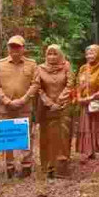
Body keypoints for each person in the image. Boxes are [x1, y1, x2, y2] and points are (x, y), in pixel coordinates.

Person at [0, 35, 39, 178]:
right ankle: (10, 166)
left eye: (18, 46)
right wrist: (6, 100)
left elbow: (35, 84)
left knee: (26, 136)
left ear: (23, 48)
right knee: (8, 137)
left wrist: (24, 99)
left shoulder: (31, 64)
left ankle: (26, 165)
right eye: (12, 46)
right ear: (8, 48)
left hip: (24, 107)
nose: (15, 49)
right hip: (5, 108)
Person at [35, 45, 74, 178]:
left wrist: (59, 101)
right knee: (48, 137)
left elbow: (70, 84)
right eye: (49, 54)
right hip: (47, 108)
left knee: (63, 136)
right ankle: (48, 167)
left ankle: (62, 167)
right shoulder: (40, 68)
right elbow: (38, 88)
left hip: (64, 108)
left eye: (55, 54)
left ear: (60, 55)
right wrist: (49, 103)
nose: (52, 57)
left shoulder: (66, 66)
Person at [76, 44, 99, 162]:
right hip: (84, 103)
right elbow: (78, 85)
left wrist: (91, 98)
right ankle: (88, 151)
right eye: (88, 53)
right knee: (85, 126)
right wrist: (79, 97)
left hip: (98, 103)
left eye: (92, 53)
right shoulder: (83, 68)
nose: (89, 55)